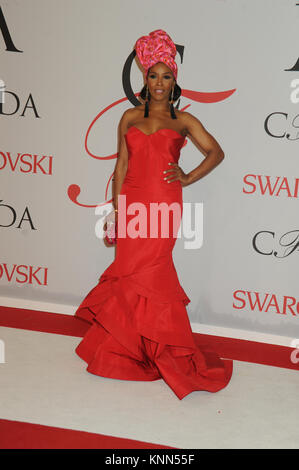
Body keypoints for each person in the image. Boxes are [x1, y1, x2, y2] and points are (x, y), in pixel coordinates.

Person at [74, 29, 233, 400]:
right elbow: (121, 163)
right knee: (128, 274)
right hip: (131, 202)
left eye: (167, 76)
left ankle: (164, 351)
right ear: (143, 77)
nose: (159, 83)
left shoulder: (183, 121)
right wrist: (116, 210)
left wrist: (188, 176)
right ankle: (126, 351)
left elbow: (216, 152)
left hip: (163, 203)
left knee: (154, 272)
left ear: (175, 80)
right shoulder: (128, 116)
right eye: (153, 75)